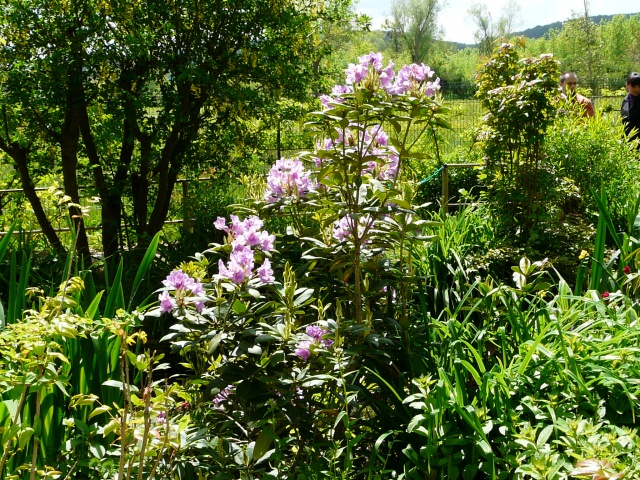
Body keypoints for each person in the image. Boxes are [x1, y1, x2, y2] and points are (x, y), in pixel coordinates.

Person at [621, 72, 640, 145]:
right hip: (627, 142)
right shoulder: (625, 101)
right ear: (627, 85)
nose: (637, 89)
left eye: (639, 86)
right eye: (634, 86)